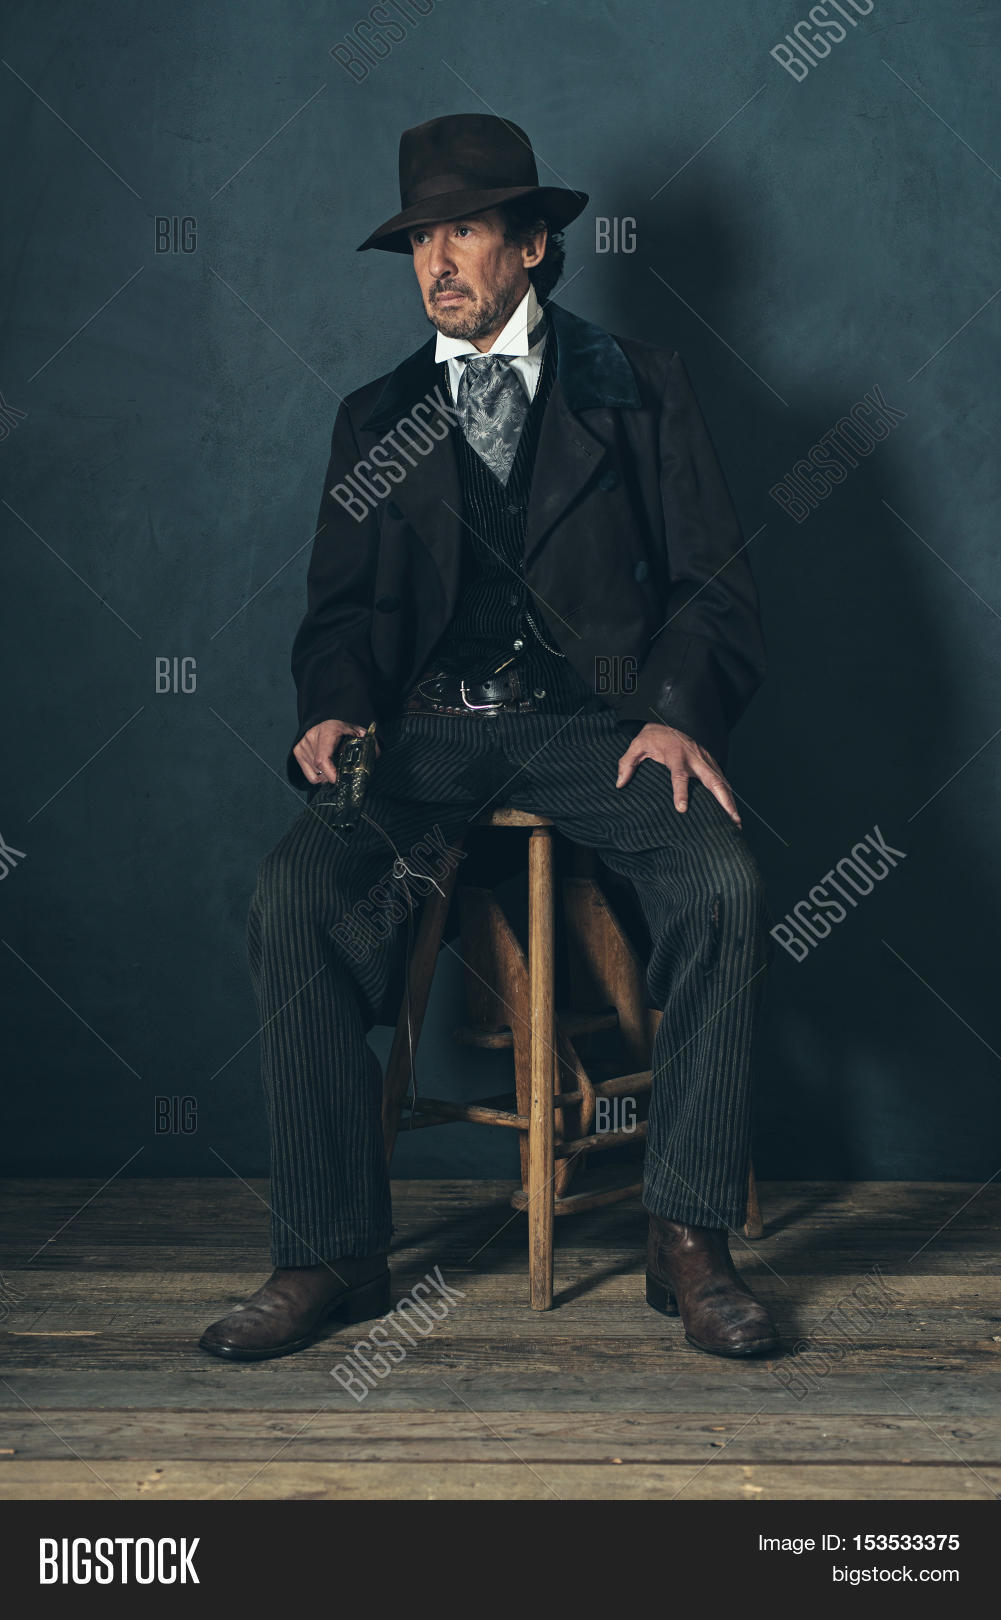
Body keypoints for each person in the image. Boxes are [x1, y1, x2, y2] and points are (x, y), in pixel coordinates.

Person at [200, 113, 777, 1362]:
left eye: (461, 231)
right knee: (291, 895)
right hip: (423, 738)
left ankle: (686, 1243)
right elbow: (338, 617)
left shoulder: (640, 387)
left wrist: (674, 719)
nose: (436, 263)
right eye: (419, 239)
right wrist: (333, 708)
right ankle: (327, 1249)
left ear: (529, 243)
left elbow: (714, 589)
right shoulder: (376, 416)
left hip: (596, 730)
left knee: (723, 881)